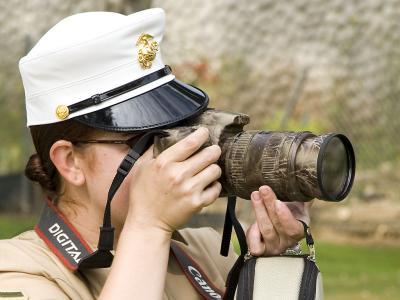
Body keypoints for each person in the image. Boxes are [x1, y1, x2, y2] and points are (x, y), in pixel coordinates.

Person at [0, 8, 312, 299]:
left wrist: (277, 259)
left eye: (177, 129)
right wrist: (148, 227)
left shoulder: (208, 252)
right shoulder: (17, 272)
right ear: (70, 162)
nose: (169, 153)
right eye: (144, 138)